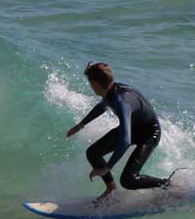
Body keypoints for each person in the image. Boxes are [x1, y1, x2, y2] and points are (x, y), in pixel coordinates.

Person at [65, 62, 171, 203]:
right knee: (93, 152)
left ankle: (168, 186)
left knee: (129, 180)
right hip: (134, 128)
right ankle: (111, 190)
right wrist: (81, 125)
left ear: (96, 85)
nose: (91, 87)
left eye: (90, 84)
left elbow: (125, 141)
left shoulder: (121, 102)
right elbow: (103, 106)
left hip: (149, 134)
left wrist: (107, 167)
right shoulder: (111, 91)